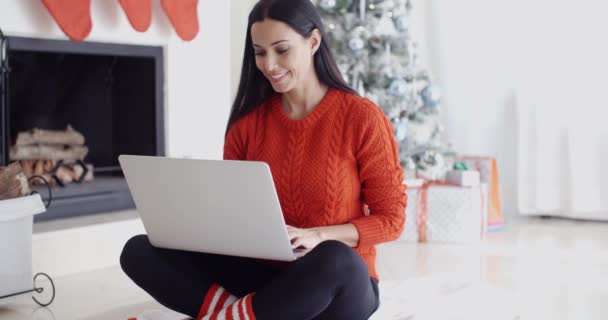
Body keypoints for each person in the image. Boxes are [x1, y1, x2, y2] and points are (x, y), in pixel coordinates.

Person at [120, 0, 406, 319]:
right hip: (262, 278)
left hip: (334, 285)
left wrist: (318, 235)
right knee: (139, 251)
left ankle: (235, 312)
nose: (269, 64)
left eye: (281, 50)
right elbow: (234, 214)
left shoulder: (361, 117)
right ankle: (243, 313)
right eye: (259, 52)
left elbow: (391, 219)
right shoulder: (248, 125)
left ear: (313, 41)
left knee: (335, 259)